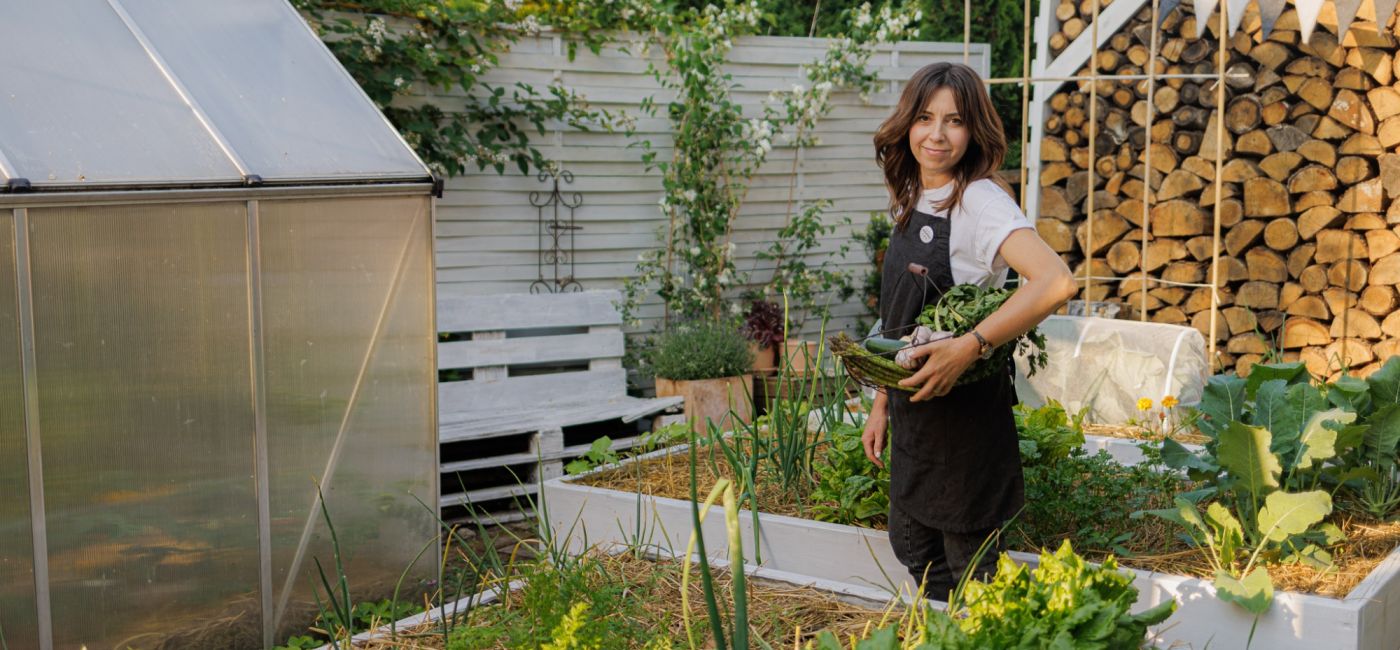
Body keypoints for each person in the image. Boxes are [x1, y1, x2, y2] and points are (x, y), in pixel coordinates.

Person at [861, 62, 1078, 601]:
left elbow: (1054, 282)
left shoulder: (979, 200)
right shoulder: (915, 191)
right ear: (907, 123)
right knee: (912, 543)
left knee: (972, 568)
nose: (937, 134)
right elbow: (900, 315)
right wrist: (882, 403)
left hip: (963, 420)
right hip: (915, 412)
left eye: (954, 121)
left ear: (973, 130)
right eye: (926, 118)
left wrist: (971, 343)